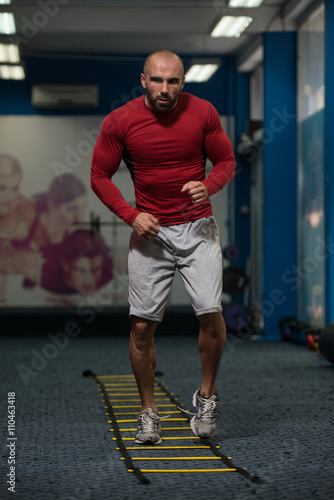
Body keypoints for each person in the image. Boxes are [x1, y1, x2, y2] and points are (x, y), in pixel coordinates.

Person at [91, 50, 236, 444]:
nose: (165, 89)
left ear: (182, 83)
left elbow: (225, 161)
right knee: (142, 325)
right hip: (149, 232)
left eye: (173, 81)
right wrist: (130, 214)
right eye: (157, 80)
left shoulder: (203, 112)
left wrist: (209, 185)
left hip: (197, 229)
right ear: (143, 80)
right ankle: (148, 412)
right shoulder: (120, 121)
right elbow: (99, 175)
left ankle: (206, 396)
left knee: (211, 313)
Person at [33, 173, 87, 245]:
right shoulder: (25, 225)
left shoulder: (81, 235)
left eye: (83, 208)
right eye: (71, 209)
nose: (80, 219)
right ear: (52, 205)